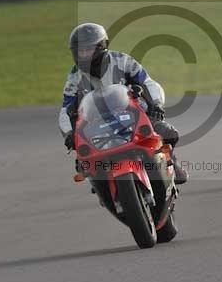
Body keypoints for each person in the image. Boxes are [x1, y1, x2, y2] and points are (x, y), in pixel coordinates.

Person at [58, 23, 188, 185]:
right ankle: (102, 187)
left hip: (133, 114)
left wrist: (156, 104)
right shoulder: (73, 78)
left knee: (165, 131)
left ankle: (171, 162)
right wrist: (70, 133)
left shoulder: (122, 61)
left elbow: (148, 83)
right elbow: (66, 109)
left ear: (101, 47)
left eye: (87, 50)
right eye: (79, 51)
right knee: (83, 162)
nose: (83, 55)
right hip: (98, 124)